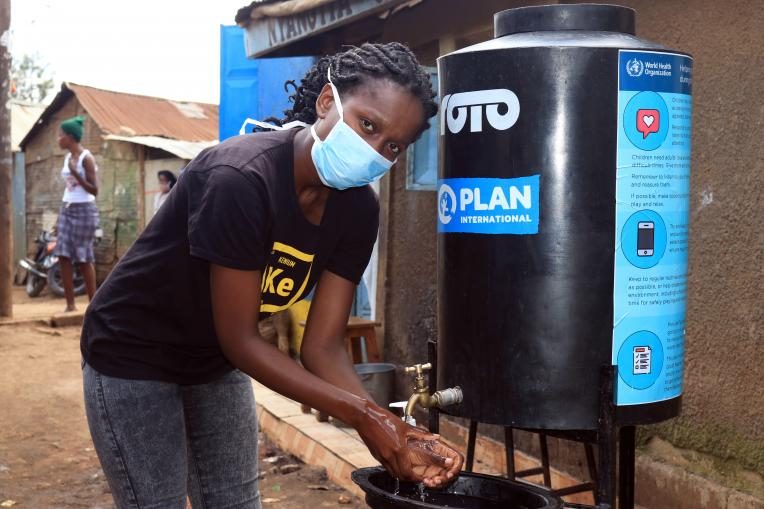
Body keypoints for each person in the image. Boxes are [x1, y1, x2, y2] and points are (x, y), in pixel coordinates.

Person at [80, 42, 463, 509]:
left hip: (211, 362)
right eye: (367, 124)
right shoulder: (241, 179)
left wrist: (393, 429)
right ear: (327, 102)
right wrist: (367, 417)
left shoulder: (358, 209)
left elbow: (321, 347)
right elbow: (240, 339)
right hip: (133, 352)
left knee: (236, 503)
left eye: (392, 145)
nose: (374, 150)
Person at [56, 115, 99, 312]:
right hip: (67, 208)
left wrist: (76, 174)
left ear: (71, 137)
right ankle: (70, 305)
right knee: (63, 256)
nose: (58, 139)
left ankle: (93, 306)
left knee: (83, 258)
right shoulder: (67, 158)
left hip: (85, 211)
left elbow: (94, 190)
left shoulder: (86, 158)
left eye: (61, 135)